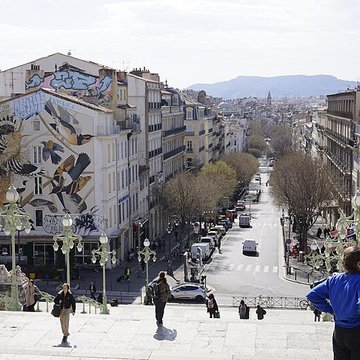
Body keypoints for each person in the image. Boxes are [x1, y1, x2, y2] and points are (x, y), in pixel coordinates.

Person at [307, 245, 360, 360]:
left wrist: (330, 310)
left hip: (339, 332)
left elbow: (312, 295)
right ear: (358, 264)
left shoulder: (335, 279)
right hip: (356, 331)